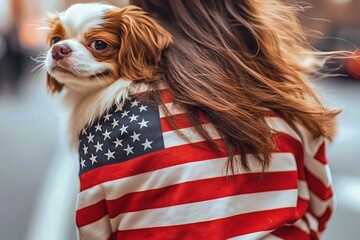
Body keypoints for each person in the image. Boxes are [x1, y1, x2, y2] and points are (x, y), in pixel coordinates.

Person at [76, 0, 341, 239]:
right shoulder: (285, 104)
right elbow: (320, 208)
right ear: (242, 9)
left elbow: (93, 228)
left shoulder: (108, 120)